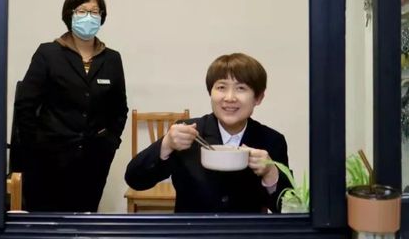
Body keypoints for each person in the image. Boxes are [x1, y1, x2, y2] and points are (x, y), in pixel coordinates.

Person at [125, 53, 291, 213]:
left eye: (241, 88)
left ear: (258, 97)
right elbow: (136, 180)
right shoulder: (187, 133)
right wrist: (166, 145)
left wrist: (271, 173)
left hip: (245, 230)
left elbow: (287, 209)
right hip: (192, 229)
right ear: (210, 92)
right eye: (221, 87)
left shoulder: (271, 140)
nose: (229, 97)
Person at [14, 0, 128, 212]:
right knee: (48, 221)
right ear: (70, 15)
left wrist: (110, 142)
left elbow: (119, 109)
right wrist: (35, 146)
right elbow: (25, 105)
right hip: (48, 159)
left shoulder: (112, 59)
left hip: (94, 159)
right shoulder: (48, 53)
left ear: (102, 17)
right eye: (82, 11)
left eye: (94, 11)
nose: (89, 17)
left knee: (85, 218)